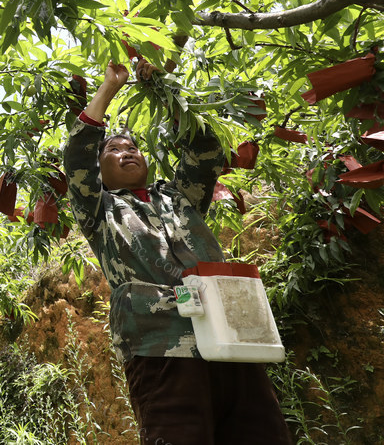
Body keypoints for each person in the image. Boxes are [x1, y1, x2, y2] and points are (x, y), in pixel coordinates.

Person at [63, 59, 292, 445]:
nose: (126, 152)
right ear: (100, 169)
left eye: (132, 147)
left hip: (232, 339)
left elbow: (205, 150)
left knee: (263, 433)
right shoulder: (99, 211)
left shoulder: (178, 197)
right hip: (162, 346)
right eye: (113, 150)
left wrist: (162, 89)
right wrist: (109, 88)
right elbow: (76, 158)